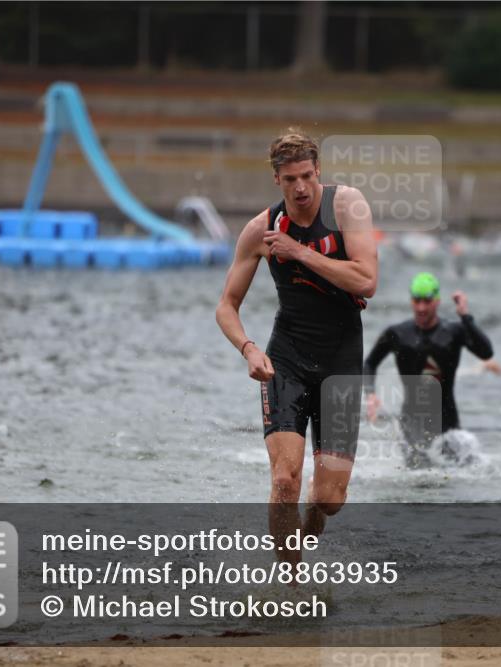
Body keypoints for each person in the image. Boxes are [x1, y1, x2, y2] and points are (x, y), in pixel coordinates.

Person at [215, 130, 377, 564]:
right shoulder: (260, 229)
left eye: (307, 176)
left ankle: (316, 508)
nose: (301, 187)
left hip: (341, 360)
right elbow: (226, 306)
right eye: (290, 179)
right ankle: (291, 585)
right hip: (285, 360)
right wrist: (249, 349)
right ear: (276, 179)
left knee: (329, 499)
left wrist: (299, 252)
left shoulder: (346, 206)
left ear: (318, 170)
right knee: (284, 479)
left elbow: (366, 281)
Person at [363, 272, 494, 467]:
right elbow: (369, 364)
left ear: (437, 301)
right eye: (417, 301)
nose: (421, 307)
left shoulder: (454, 332)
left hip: (448, 423)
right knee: (417, 476)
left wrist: (465, 316)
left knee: (457, 476)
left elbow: (486, 353)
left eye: (427, 301)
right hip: (412, 423)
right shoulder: (398, 334)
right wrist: (370, 394)